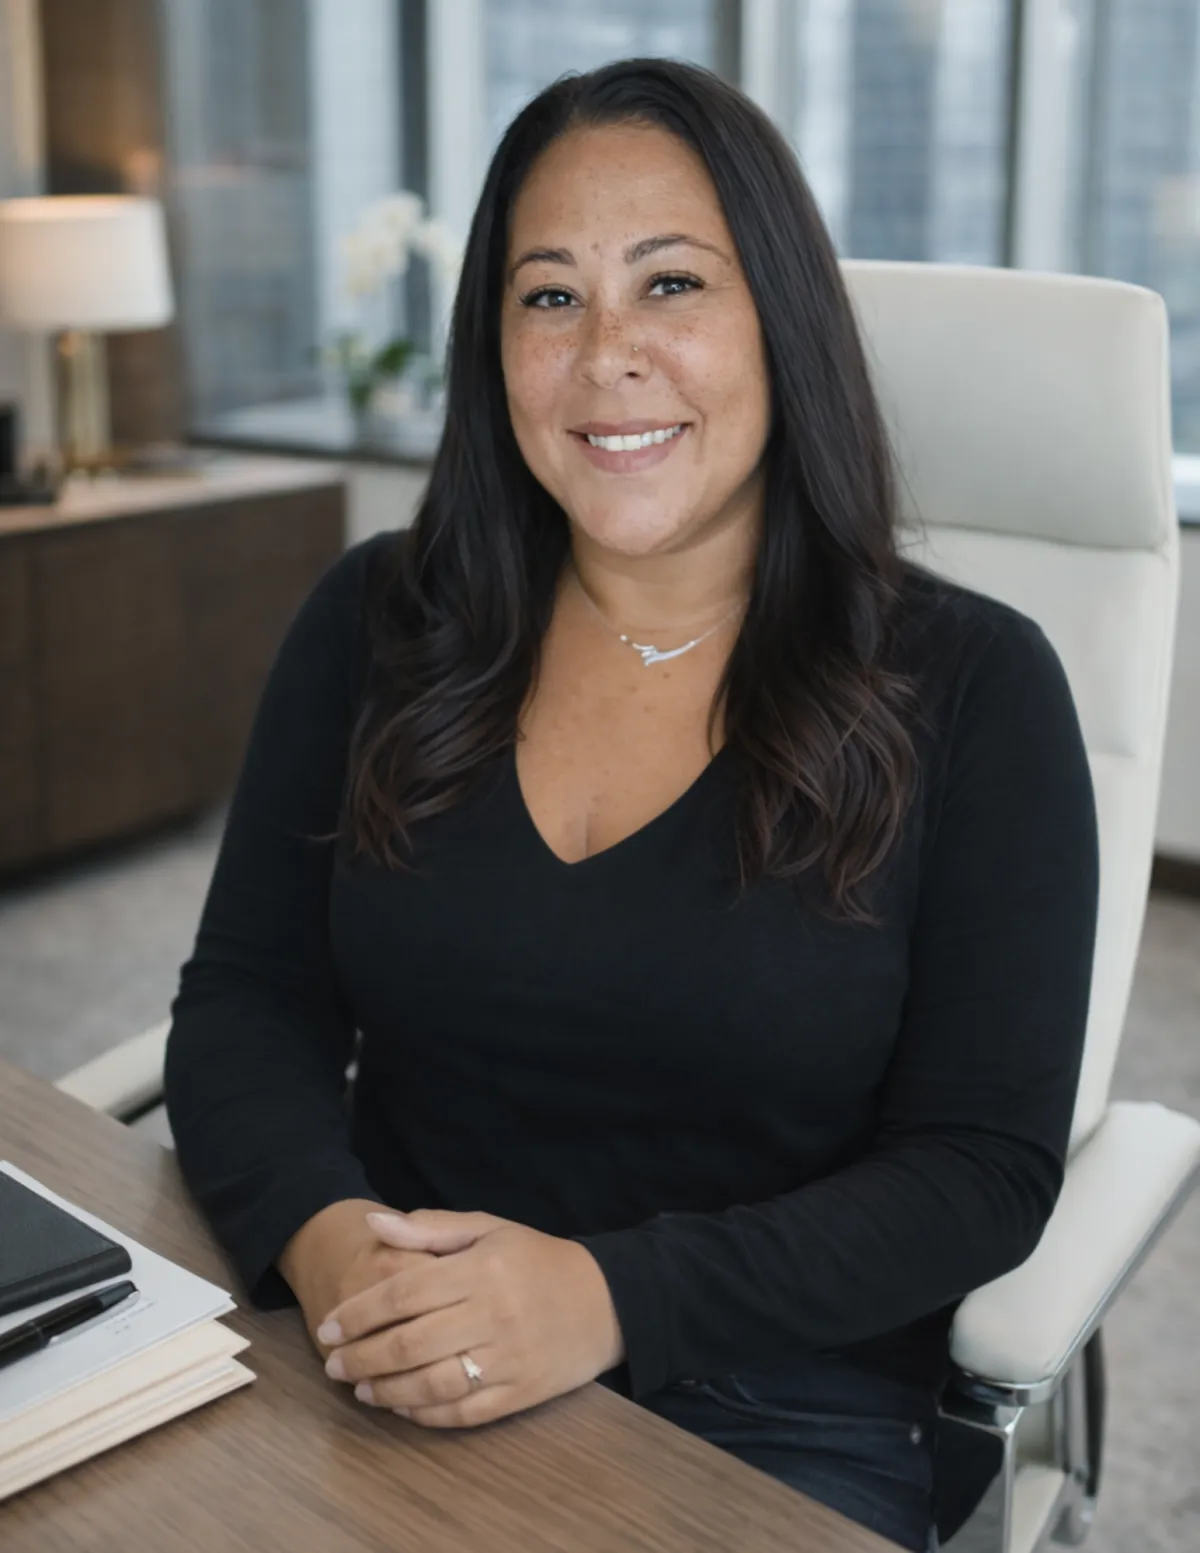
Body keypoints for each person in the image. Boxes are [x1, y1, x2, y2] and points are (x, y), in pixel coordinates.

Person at [163, 59, 1100, 1553]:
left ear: (780, 323)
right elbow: (246, 1005)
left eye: (670, 284)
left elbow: (978, 1174)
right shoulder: (379, 621)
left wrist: (605, 1300)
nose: (607, 357)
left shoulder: (977, 687)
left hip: (771, 1406)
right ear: (494, 347)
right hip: (373, 1340)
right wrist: (336, 1253)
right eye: (550, 297)